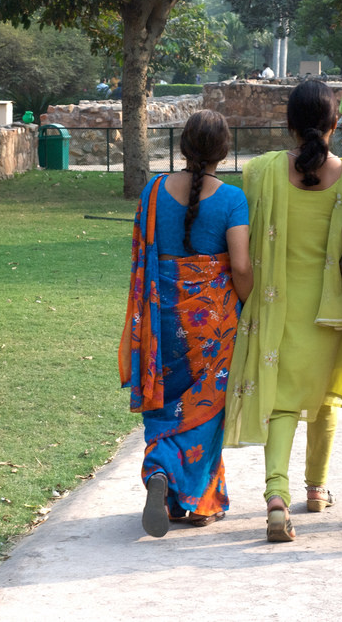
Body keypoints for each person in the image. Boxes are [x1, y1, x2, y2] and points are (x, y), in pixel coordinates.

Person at [225, 81, 342, 542]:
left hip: (275, 308)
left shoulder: (261, 171)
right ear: (334, 123)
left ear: (289, 123)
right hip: (332, 311)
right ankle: (317, 489)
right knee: (324, 399)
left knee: (282, 403)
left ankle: (276, 496)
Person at [119, 109, 252, 538]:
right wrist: (248, 303)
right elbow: (242, 264)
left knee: (167, 400)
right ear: (224, 151)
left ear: (183, 146)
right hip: (212, 322)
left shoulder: (153, 192)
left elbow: (144, 256)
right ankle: (198, 503)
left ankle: (160, 472)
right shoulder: (232, 199)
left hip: (162, 318)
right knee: (206, 409)